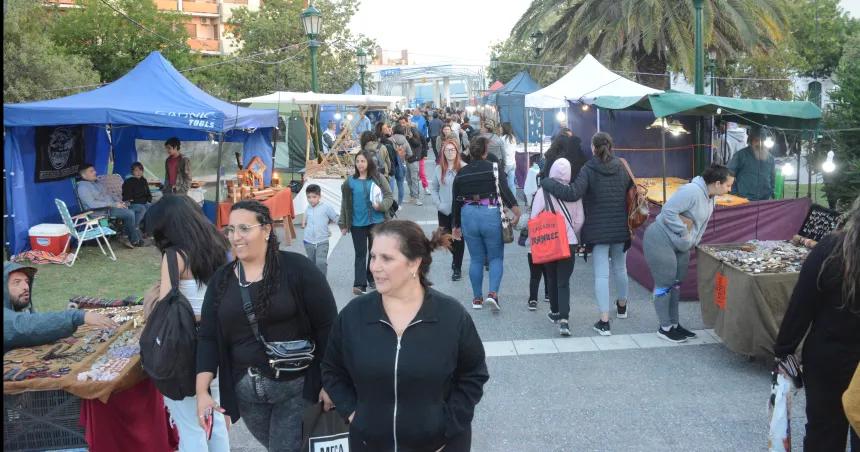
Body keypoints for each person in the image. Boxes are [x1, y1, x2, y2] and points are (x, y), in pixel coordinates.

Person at [321, 220, 489, 451]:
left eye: (386, 258)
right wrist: (353, 414)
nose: (374, 267)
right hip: (369, 444)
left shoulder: (451, 316)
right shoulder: (353, 316)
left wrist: (448, 425)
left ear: (414, 264)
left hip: (440, 445)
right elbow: (332, 370)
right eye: (373, 257)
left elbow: (473, 374)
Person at [196, 201, 338, 452]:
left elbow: (328, 327)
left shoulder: (297, 269)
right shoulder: (222, 280)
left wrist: (331, 382)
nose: (235, 237)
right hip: (246, 394)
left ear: (266, 230)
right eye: (230, 230)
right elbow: (207, 336)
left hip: (296, 388)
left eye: (244, 228)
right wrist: (202, 391)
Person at [144, 195, 231, 452]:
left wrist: (151, 296)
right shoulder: (219, 245)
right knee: (213, 416)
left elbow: (165, 308)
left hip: (185, 348)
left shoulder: (174, 256)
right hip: (218, 343)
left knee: (190, 425)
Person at [774, 196, 860, 451]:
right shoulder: (832, 248)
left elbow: (802, 303)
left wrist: (784, 350)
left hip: (827, 357)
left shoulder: (832, 247)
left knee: (823, 431)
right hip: (836, 357)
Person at [539, 132, 631, 336]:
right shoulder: (622, 166)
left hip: (598, 230)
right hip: (620, 228)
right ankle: (622, 307)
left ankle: (604, 322)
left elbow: (572, 193)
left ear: (592, 147)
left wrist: (548, 182)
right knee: (620, 268)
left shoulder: (588, 169)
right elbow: (629, 192)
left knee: (602, 275)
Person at [643, 165, 735, 343]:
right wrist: (684, 233)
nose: (730, 189)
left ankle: (674, 324)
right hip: (660, 239)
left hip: (682, 245)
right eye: (728, 185)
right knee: (665, 283)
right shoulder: (691, 191)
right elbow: (668, 211)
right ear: (717, 183)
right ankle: (664, 327)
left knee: (676, 283)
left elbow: (701, 224)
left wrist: (692, 242)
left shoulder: (711, 197)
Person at [452, 137, 521, 311]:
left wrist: (455, 226)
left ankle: (477, 299)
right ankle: (492, 294)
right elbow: (505, 191)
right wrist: (516, 211)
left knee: (475, 258)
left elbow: (455, 201)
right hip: (489, 212)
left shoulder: (461, 173)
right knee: (495, 257)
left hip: (468, 214)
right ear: (485, 152)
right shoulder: (493, 168)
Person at [4, 262, 116, 353]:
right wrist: (76, 316)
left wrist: (54, 334)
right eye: (16, 282)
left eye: (27, 282)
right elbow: (24, 326)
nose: (25, 287)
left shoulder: (19, 308)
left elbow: (34, 328)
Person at [530, 158, 585, 336]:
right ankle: (564, 320)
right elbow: (579, 221)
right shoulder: (574, 193)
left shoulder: (542, 192)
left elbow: (533, 218)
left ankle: (554, 312)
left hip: (549, 241)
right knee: (563, 282)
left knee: (551, 277)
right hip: (568, 243)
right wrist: (568, 231)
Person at [339, 151, 394, 295]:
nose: (360, 164)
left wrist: (381, 206)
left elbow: (389, 196)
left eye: (363, 161)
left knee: (374, 252)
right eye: (357, 161)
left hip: (377, 221)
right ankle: (359, 284)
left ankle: (372, 277)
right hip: (357, 223)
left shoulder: (378, 178)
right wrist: (343, 223)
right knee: (360, 253)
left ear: (369, 162)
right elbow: (345, 204)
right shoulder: (349, 182)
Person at [77, 163, 146, 248]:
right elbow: (92, 204)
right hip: (102, 211)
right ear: (84, 175)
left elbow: (109, 195)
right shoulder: (83, 187)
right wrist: (113, 204)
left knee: (140, 208)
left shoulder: (97, 182)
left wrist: (119, 201)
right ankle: (133, 240)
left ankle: (127, 231)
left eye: (94, 170)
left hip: (112, 206)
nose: (95, 172)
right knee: (129, 213)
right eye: (91, 171)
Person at [431, 138, 467, 282]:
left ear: (457, 151)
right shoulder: (438, 169)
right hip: (444, 209)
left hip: (459, 210)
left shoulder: (464, 167)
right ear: (443, 152)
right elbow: (433, 188)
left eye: (452, 150)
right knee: (446, 238)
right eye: (447, 150)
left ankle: (457, 267)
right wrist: (438, 204)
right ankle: (455, 258)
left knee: (458, 238)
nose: (450, 152)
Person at [301, 184, 339, 276]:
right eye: (308, 197)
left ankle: (322, 281)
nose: (311, 199)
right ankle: (314, 280)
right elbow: (305, 216)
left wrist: (345, 225)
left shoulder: (326, 207)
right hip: (308, 240)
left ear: (319, 196)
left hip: (322, 240)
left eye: (314, 197)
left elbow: (335, 217)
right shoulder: (308, 208)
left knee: (321, 262)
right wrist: (303, 222)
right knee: (311, 262)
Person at [727, 132, 775, 201]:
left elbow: (772, 178)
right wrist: (735, 193)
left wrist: (771, 192)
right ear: (750, 142)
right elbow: (729, 174)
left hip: (764, 199)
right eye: (756, 140)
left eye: (762, 141)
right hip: (743, 199)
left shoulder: (770, 158)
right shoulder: (740, 155)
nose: (760, 144)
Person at [398, 117, 425, 206]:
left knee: (414, 178)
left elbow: (418, 143)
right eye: (401, 123)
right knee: (408, 178)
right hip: (405, 158)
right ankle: (412, 196)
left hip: (413, 157)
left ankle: (416, 197)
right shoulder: (401, 132)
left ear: (407, 122)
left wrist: (411, 138)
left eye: (403, 122)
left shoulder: (413, 130)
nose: (402, 124)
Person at [121, 161, 153, 226]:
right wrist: (141, 200)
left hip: (143, 202)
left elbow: (148, 193)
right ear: (132, 172)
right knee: (142, 208)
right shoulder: (128, 182)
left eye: (140, 170)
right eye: (136, 170)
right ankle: (135, 227)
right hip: (132, 204)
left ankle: (147, 228)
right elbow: (127, 197)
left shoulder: (143, 180)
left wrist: (149, 200)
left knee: (151, 207)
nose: (139, 172)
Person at [389, 124, 413, 206]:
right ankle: (399, 204)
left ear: (394, 130)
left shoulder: (390, 140)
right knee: (400, 185)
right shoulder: (405, 141)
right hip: (402, 165)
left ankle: (391, 204)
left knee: (390, 185)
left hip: (391, 165)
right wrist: (404, 157)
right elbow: (410, 153)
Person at [501, 122, 518, 195]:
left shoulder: (502, 138)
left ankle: (507, 200)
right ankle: (513, 200)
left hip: (506, 164)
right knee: (511, 184)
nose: (500, 129)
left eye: (501, 128)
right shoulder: (513, 137)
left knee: (504, 185)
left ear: (504, 128)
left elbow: (503, 152)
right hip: (513, 163)